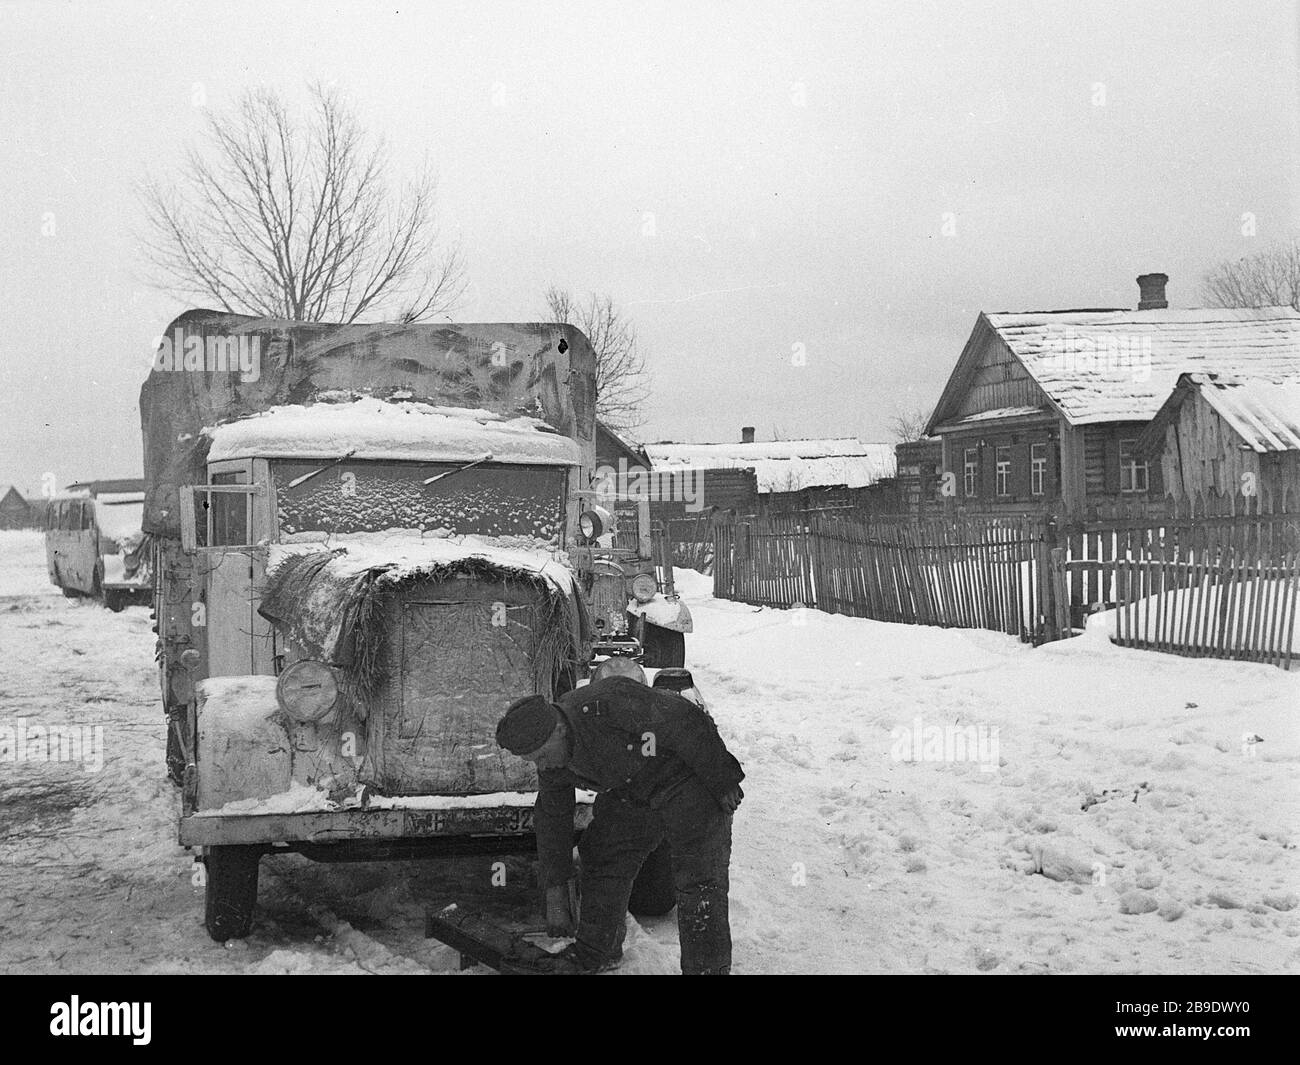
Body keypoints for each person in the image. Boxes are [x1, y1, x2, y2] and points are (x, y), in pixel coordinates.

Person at [495, 672, 744, 974]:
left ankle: (706, 970)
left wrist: (723, 778)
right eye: (533, 760)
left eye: (543, 756)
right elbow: (553, 818)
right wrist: (556, 887)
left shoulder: (607, 702)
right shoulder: (553, 760)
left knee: (699, 882)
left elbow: (683, 718)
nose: (542, 766)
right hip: (634, 789)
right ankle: (595, 952)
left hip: (686, 779)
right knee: (602, 855)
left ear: (559, 729)